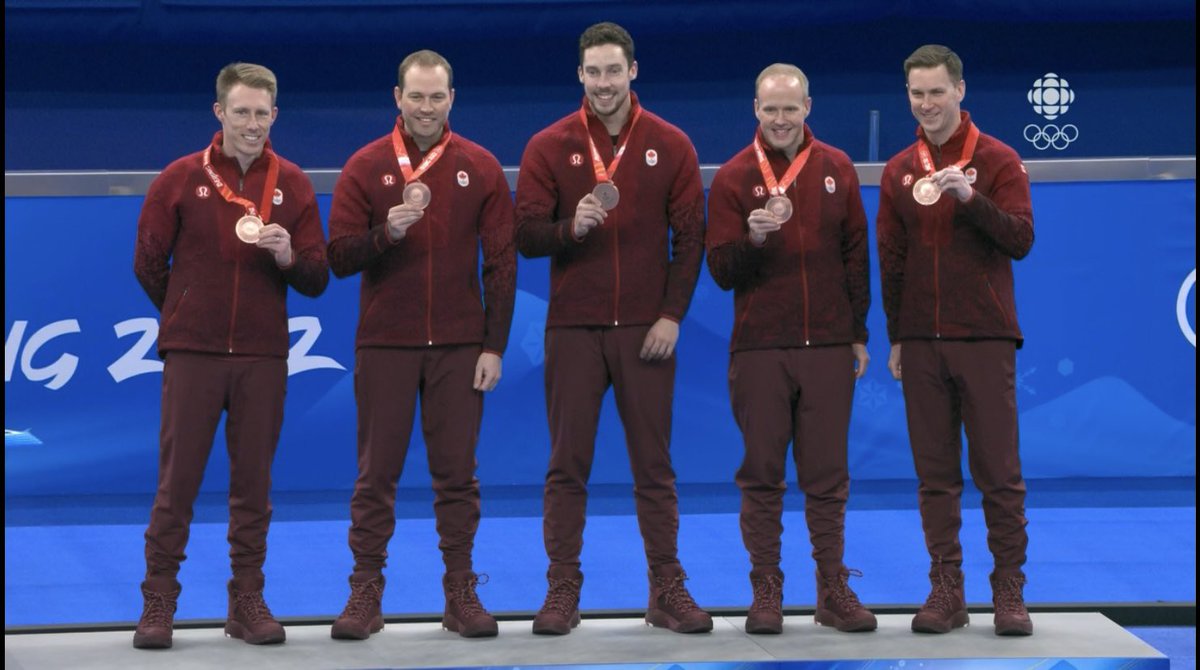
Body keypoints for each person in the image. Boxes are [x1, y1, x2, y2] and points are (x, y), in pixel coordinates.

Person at [515, 21, 711, 636]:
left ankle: (667, 588)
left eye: (613, 70)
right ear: (580, 75)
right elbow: (524, 236)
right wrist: (568, 229)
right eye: (592, 72)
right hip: (574, 328)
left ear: (633, 71)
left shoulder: (670, 143)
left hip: (647, 332)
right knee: (566, 465)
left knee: (654, 467)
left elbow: (692, 239)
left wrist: (672, 315)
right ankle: (562, 591)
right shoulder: (548, 146)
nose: (603, 83)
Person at [131, 62, 330, 649]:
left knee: (253, 485)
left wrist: (290, 255)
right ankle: (159, 602)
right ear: (218, 113)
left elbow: (318, 277)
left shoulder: (291, 183)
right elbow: (147, 261)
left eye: (261, 113)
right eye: (240, 112)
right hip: (194, 353)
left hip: (263, 356)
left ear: (276, 115)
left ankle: (247, 600)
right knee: (178, 483)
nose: (251, 123)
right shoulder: (179, 178)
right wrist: (187, 313)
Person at [326, 49, 516, 640]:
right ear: (397, 97)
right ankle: (365, 593)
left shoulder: (480, 166)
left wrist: (494, 345)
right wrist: (388, 233)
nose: (427, 107)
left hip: (461, 346)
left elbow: (502, 264)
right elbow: (337, 258)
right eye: (417, 96)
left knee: (458, 476)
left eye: (437, 97)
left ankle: (460, 593)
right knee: (375, 475)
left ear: (452, 99)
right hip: (385, 343)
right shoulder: (365, 166)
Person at [706, 63, 877, 635]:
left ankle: (832, 587)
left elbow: (857, 255)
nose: (781, 119)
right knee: (762, 476)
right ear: (755, 109)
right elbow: (721, 271)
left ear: (808, 107)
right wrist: (753, 240)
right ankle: (767, 591)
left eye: (791, 108)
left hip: (828, 344)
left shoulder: (837, 168)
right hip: (759, 348)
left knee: (828, 476)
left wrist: (858, 333)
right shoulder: (732, 177)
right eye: (770, 108)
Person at [876, 44, 1035, 636]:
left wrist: (970, 200)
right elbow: (890, 260)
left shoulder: (998, 159)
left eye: (936, 92)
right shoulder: (898, 170)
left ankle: (1010, 589)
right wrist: (896, 336)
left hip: (985, 337)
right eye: (917, 94)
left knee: (999, 471)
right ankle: (946, 588)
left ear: (960, 91)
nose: (926, 104)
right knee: (935, 474)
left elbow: (1020, 239)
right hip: (920, 342)